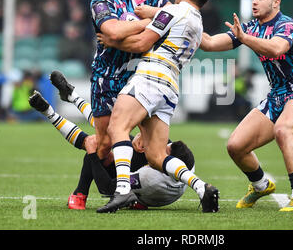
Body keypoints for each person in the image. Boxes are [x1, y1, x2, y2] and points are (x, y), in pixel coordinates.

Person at [96, 0, 219, 213]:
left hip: (151, 76)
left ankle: (122, 190)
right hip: (171, 86)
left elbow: (142, 43)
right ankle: (202, 187)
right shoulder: (198, 22)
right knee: (155, 155)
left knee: (117, 127)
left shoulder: (173, 11)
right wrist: (152, 12)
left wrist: (112, 42)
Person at [62, 0, 170, 209]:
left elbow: (171, 13)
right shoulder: (100, 1)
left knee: (147, 142)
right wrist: (148, 21)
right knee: (105, 144)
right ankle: (80, 192)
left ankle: (135, 193)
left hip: (141, 74)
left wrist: (135, 25)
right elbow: (111, 30)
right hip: (107, 78)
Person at [200, 0, 293, 211]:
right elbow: (210, 43)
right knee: (235, 146)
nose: (255, 1)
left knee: (283, 131)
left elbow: (277, 48)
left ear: (276, 2)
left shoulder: (287, 25)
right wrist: (184, 20)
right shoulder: (251, 28)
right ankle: (260, 185)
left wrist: (244, 38)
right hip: (277, 95)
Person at [28, 72, 195, 210]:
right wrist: (143, 134)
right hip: (140, 174)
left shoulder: (149, 178)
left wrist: (93, 154)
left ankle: (80, 193)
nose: (159, 148)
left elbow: (106, 188)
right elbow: (162, 143)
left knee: (96, 144)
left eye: (164, 151)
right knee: (108, 131)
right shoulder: (183, 161)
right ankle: (70, 97)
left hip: (132, 186)